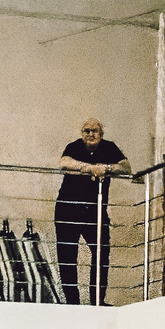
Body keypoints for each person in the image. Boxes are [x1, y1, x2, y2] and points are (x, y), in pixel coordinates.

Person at [54, 119, 129, 306]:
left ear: (101, 134)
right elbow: (64, 163)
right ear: (81, 133)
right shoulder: (73, 146)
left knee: (102, 254)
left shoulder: (109, 148)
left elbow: (126, 167)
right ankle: (72, 302)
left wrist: (107, 168)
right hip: (67, 210)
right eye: (86, 130)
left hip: (94, 212)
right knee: (67, 257)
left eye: (94, 131)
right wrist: (89, 168)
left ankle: (97, 300)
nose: (90, 134)